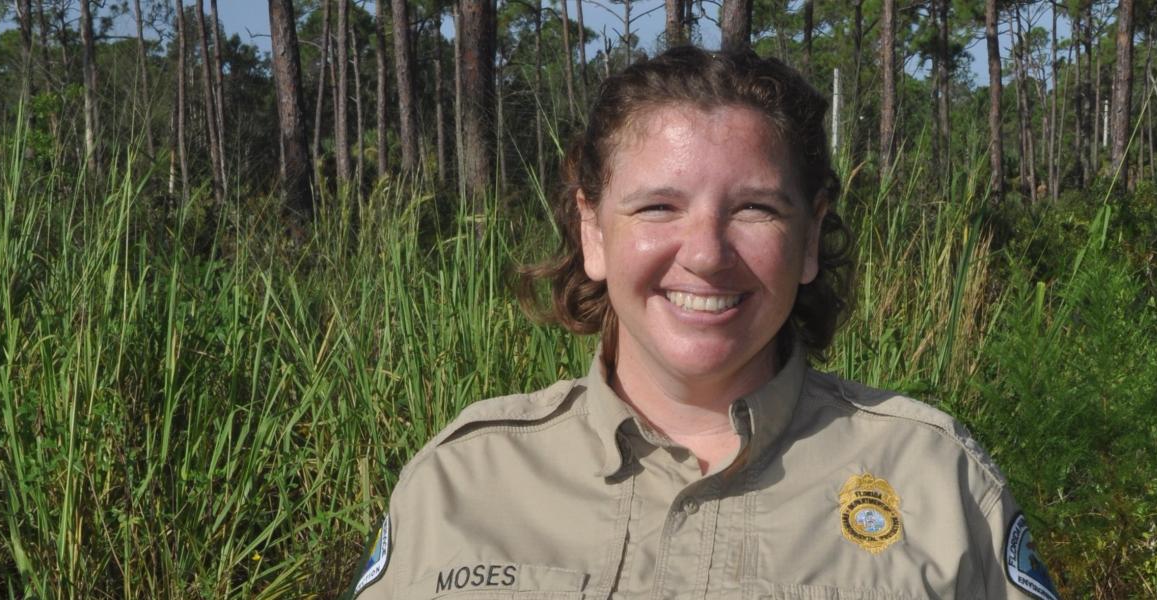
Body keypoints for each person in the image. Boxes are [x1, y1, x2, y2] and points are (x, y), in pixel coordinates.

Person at [347, 46, 1061, 600]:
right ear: (593, 231)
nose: (707, 255)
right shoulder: (462, 480)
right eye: (658, 207)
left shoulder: (935, 479)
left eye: (754, 208)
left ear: (809, 239)